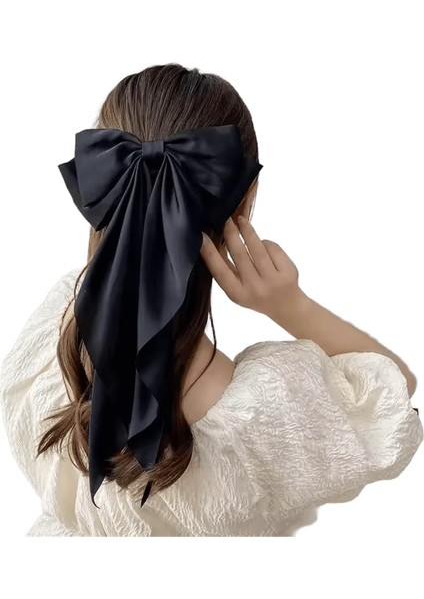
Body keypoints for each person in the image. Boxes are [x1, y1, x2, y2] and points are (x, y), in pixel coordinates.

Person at [0, 63, 422, 537]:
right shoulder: (268, 411)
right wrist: (290, 305)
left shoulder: (49, 339)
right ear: (245, 201)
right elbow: (391, 395)